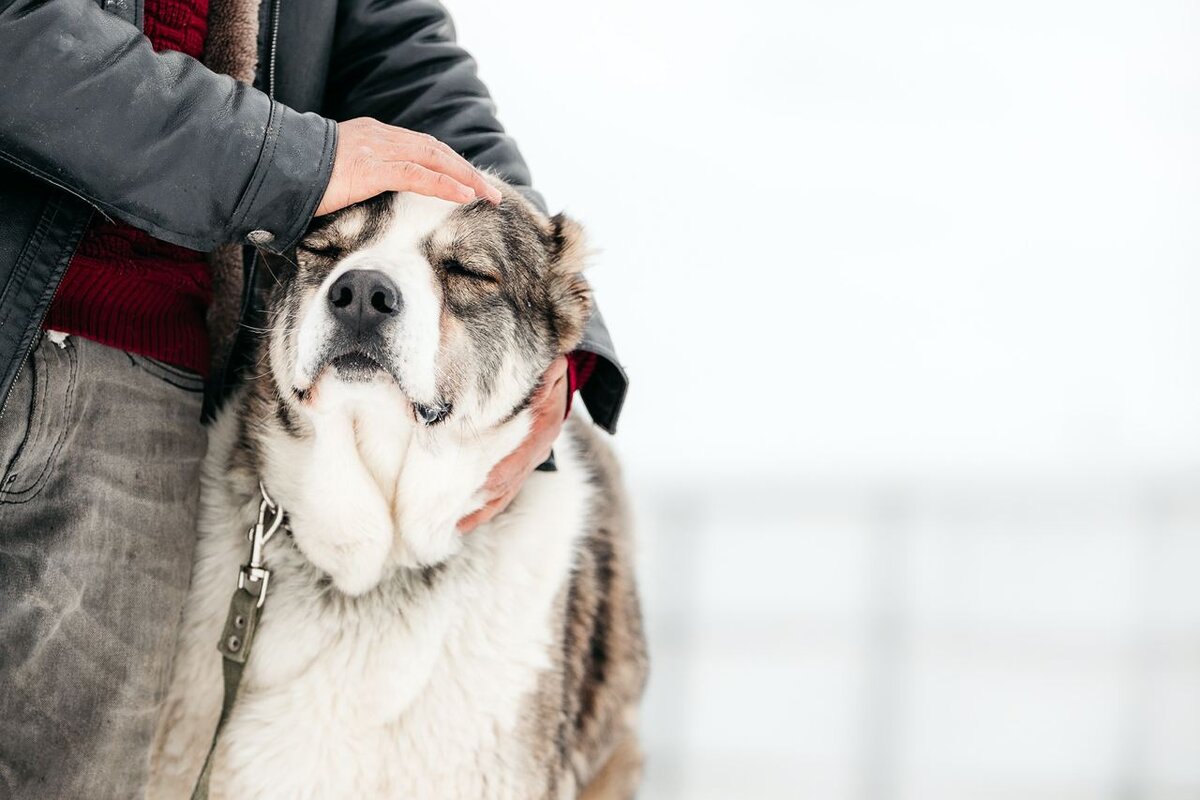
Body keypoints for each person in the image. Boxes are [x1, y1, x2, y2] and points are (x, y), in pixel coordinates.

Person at [0, 0, 627, 795]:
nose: (366, 289)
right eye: (332, 255)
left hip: (152, 387)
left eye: (462, 275)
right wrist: (292, 166)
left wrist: (556, 330)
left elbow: (405, 66)